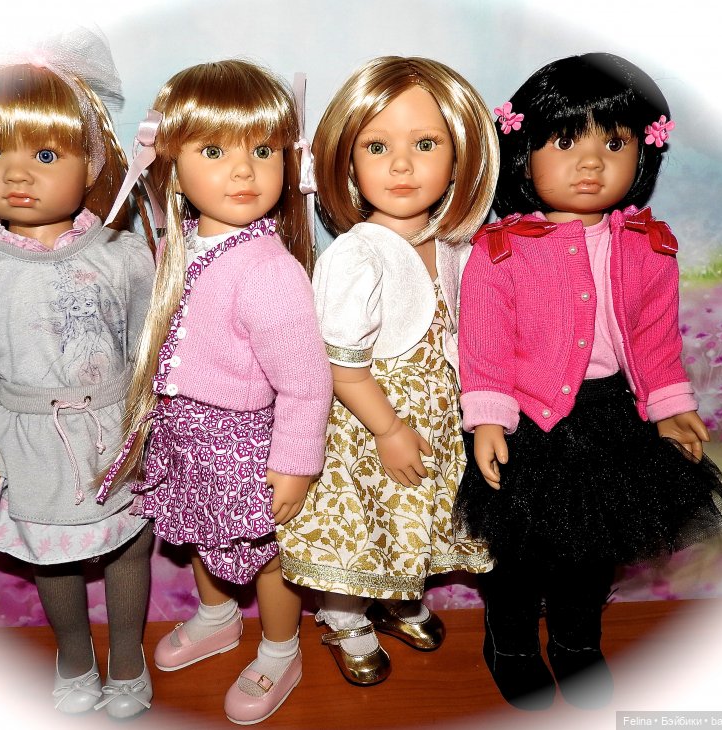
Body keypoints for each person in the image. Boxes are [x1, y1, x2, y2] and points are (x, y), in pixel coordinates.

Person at [455, 52, 722, 711]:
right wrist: (488, 418)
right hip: (530, 424)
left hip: (613, 420)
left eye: (613, 143)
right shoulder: (501, 251)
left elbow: (655, 341)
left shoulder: (648, 245)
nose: (590, 162)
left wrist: (669, 406)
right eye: (565, 142)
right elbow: (483, 347)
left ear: (643, 152)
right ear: (524, 152)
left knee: (592, 551)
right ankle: (511, 642)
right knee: (520, 550)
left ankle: (578, 641)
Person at [0, 30, 156, 719]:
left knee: (128, 548)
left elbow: (152, 347)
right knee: (50, 554)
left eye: (46, 155)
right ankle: (73, 655)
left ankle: (127, 659)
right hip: (28, 436)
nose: (17, 175)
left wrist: (159, 423)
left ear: (91, 163)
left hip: (117, 429)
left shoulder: (122, 254)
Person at [97, 59, 332, 725]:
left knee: (265, 553)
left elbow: (306, 381)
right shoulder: (182, 246)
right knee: (201, 531)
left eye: (263, 151)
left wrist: (295, 462)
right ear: (171, 164)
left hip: (243, 442)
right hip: (186, 433)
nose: (244, 171)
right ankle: (217, 616)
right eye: (213, 151)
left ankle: (280, 649)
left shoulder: (269, 272)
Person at [277, 56, 498, 685]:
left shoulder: (453, 244)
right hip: (369, 422)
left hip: (432, 418)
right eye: (378, 147)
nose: (402, 166)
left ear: (459, 156)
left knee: (413, 517)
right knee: (364, 522)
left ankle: (399, 592)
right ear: (348, 162)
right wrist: (389, 429)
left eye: (425, 144)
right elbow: (340, 365)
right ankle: (345, 616)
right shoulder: (357, 255)